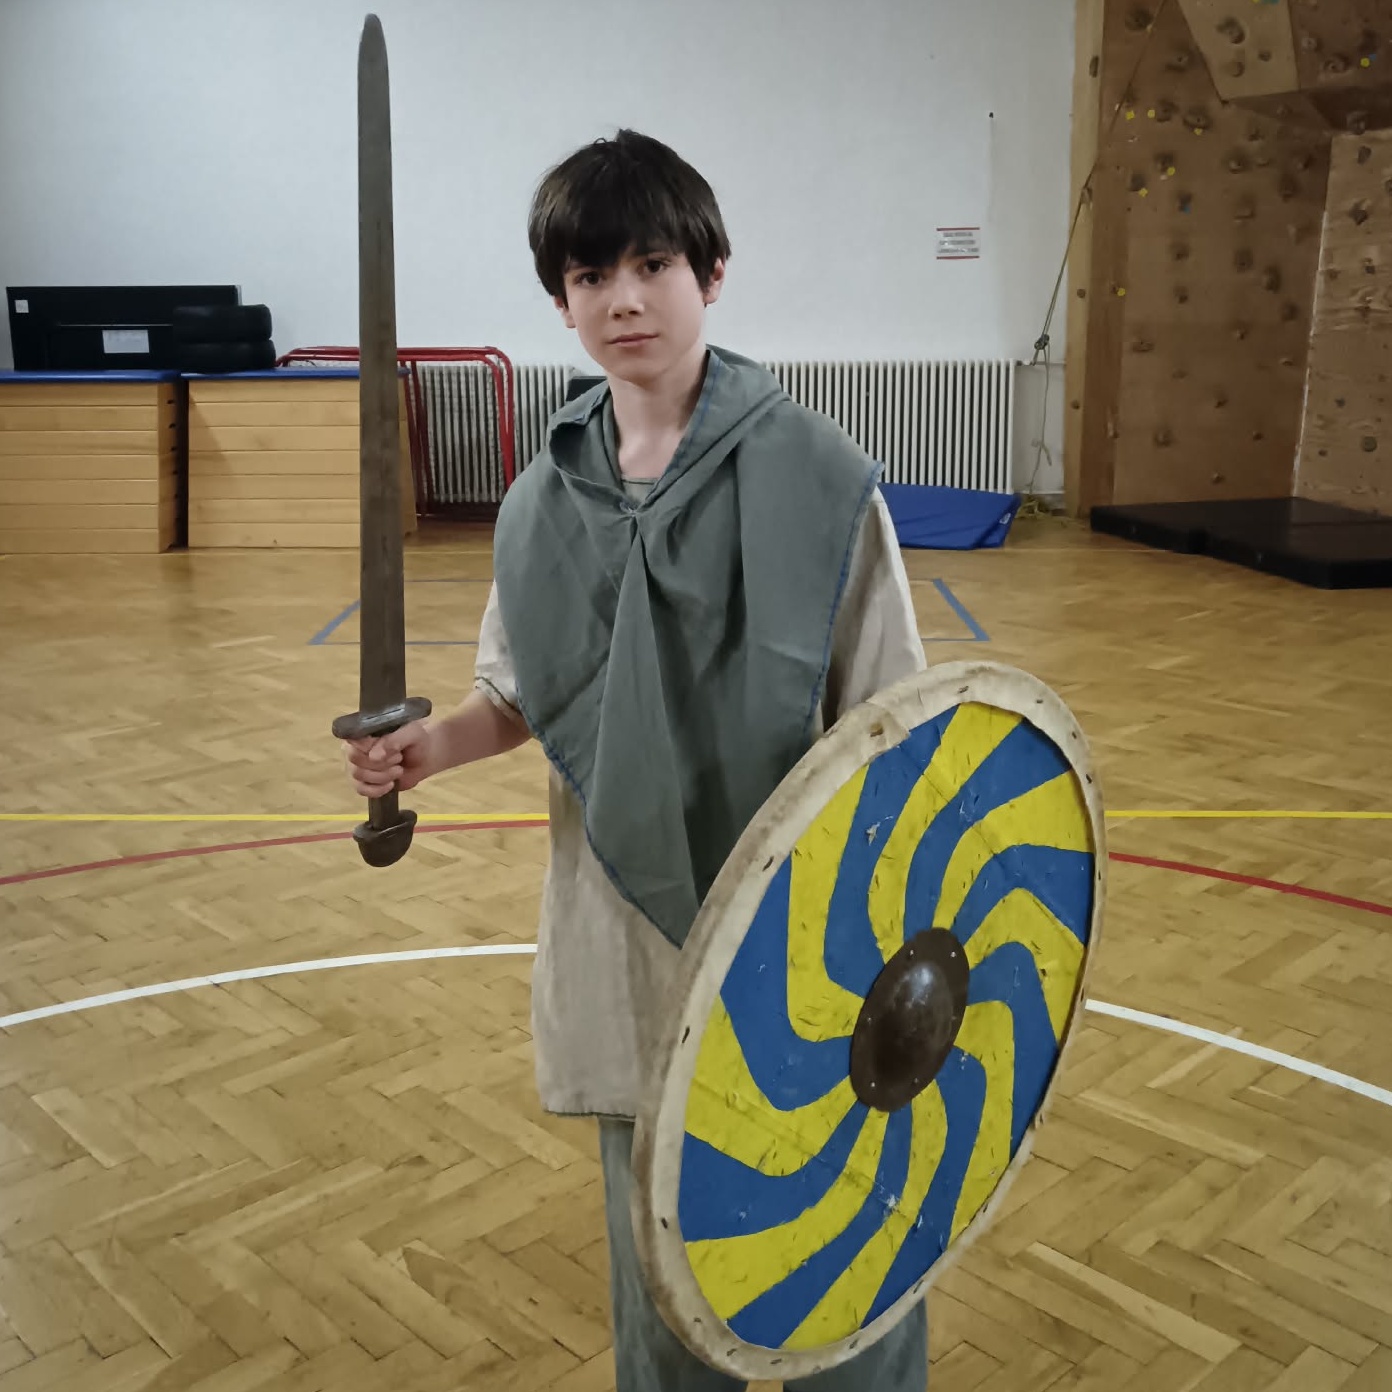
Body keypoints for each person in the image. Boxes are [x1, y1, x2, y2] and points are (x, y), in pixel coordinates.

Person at [342, 129, 930, 1391]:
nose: (623, 298)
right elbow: (520, 696)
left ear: (710, 273)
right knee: (663, 1250)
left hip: (811, 927)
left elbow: (896, 724)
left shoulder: (821, 481)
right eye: (590, 274)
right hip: (623, 926)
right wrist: (427, 749)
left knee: (848, 1239)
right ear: (560, 300)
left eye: (653, 264)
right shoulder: (541, 502)